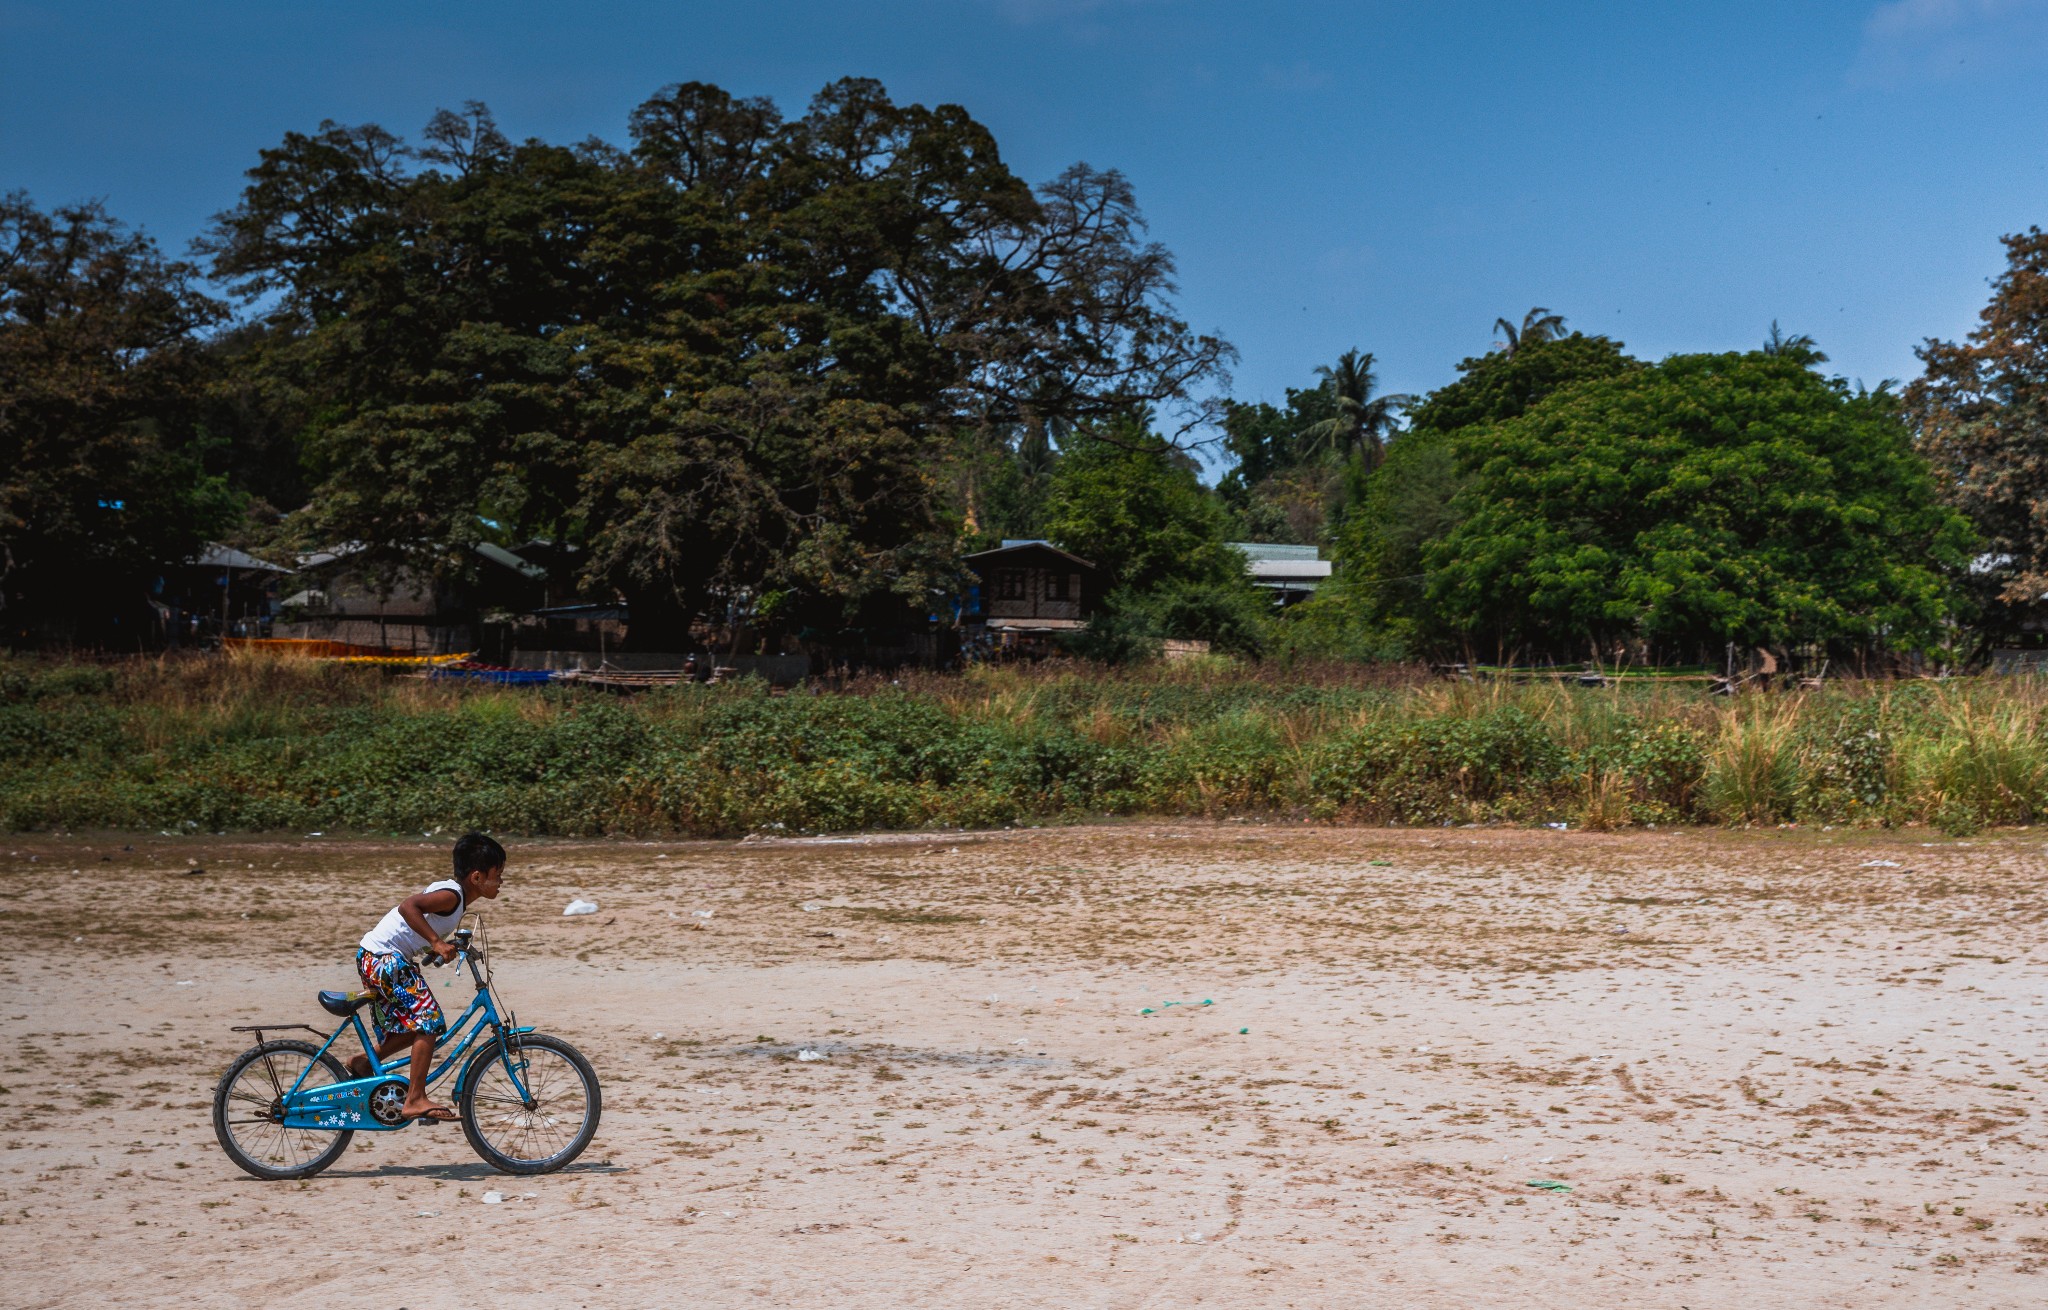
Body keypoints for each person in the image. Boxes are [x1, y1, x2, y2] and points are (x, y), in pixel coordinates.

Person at [346, 832, 505, 1121]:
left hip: (375, 957)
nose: (501, 881)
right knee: (429, 1020)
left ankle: (363, 1062)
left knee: (413, 1026)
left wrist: (442, 945)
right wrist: (435, 941)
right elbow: (409, 907)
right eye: (498, 874)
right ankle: (415, 1099)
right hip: (384, 958)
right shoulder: (452, 896)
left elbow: (418, 924)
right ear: (477, 877)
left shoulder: (455, 896)